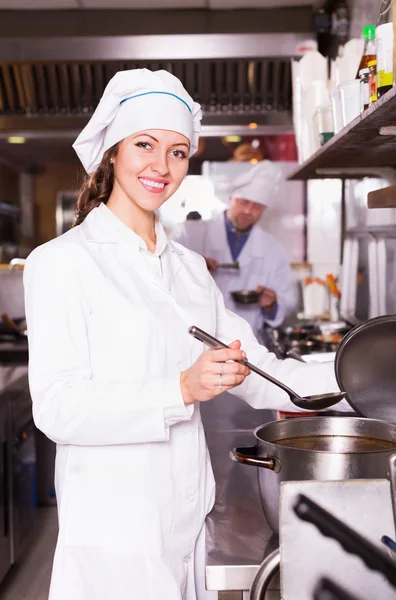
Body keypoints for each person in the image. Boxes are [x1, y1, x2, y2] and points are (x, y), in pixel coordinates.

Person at [23, 68, 346, 600]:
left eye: (177, 151)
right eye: (144, 145)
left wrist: (352, 377)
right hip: (114, 535)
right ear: (112, 151)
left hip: (188, 521)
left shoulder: (190, 269)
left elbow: (256, 369)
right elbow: (58, 409)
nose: (161, 166)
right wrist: (181, 389)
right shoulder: (62, 263)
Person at [173, 160, 296, 331]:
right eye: (244, 202)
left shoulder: (273, 249)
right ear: (231, 198)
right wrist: (192, 266)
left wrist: (272, 304)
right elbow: (162, 279)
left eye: (257, 207)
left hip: (248, 345)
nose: (248, 211)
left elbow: (287, 301)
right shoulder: (189, 233)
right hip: (196, 339)